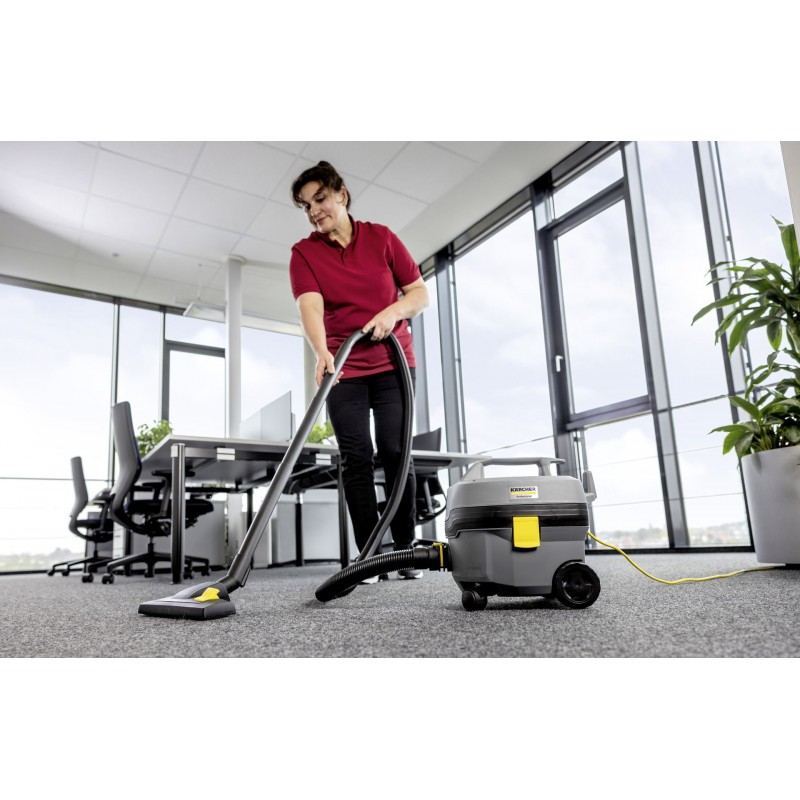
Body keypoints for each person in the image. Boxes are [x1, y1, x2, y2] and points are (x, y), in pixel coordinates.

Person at [289, 161, 429, 580]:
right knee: (356, 458)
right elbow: (310, 307)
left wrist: (393, 312)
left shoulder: (382, 238)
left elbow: (418, 294)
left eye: (320, 199)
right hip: (344, 368)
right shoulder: (304, 253)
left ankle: (404, 551)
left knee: (395, 451)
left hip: (393, 364)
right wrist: (321, 352)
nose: (314, 211)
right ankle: (368, 556)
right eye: (306, 206)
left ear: (342, 194)